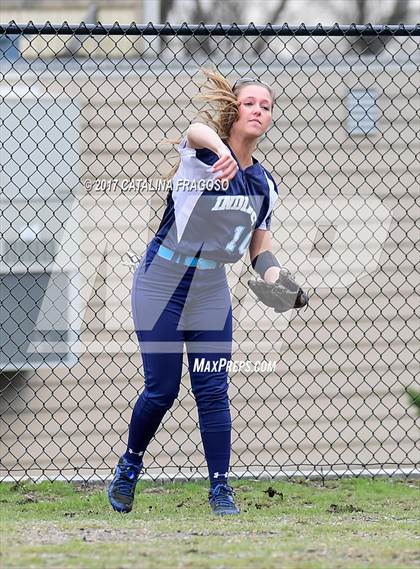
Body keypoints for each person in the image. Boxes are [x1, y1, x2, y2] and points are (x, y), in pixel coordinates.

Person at [108, 69, 284, 516]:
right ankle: (130, 465)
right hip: (161, 282)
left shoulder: (264, 185)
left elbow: (258, 252)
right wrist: (222, 148)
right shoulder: (201, 154)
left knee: (212, 391)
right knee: (162, 389)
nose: (258, 111)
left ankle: (221, 489)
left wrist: (277, 282)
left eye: (266, 106)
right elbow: (194, 129)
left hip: (209, 291)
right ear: (234, 110)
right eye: (250, 103)